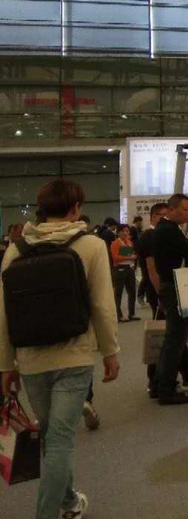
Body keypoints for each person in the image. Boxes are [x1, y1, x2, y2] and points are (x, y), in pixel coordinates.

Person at [0, 179, 120, 519]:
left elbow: (4, 313)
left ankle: (68, 501)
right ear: (76, 208)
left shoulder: (17, 249)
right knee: (60, 440)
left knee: (53, 437)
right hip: (75, 355)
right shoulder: (91, 245)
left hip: (31, 359)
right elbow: (102, 305)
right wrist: (110, 352)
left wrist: (5, 364)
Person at [151, 193, 188, 404]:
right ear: (171, 209)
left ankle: (159, 385)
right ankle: (166, 390)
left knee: (174, 338)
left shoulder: (168, 229)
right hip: (176, 287)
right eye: (185, 209)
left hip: (174, 285)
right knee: (176, 340)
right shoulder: (169, 230)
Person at [110, 224, 139, 322]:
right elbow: (115, 257)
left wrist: (133, 257)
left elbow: (131, 253)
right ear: (118, 232)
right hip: (119, 269)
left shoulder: (129, 243)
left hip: (129, 268)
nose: (126, 233)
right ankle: (118, 315)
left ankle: (132, 313)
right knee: (118, 293)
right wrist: (129, 257)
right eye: (123, 231)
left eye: (127, 231)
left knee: (132, 291)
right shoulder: (115, 243)